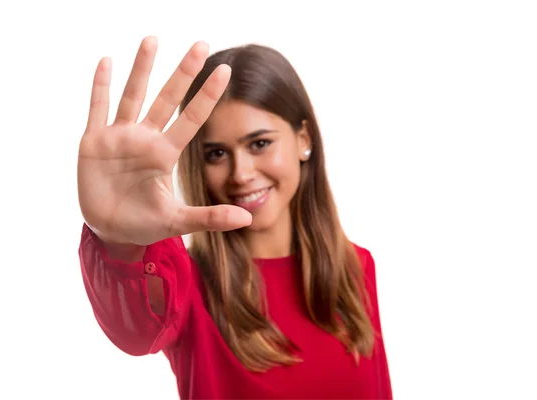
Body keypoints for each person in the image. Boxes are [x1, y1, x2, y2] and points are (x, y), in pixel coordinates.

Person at [77, 36, 392, 399]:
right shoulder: (185, 282)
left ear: (303, 139)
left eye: (259, 144)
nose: (240, 173)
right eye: (216, 154)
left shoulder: (357, 267)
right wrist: (119, 240)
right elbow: (133, 330)